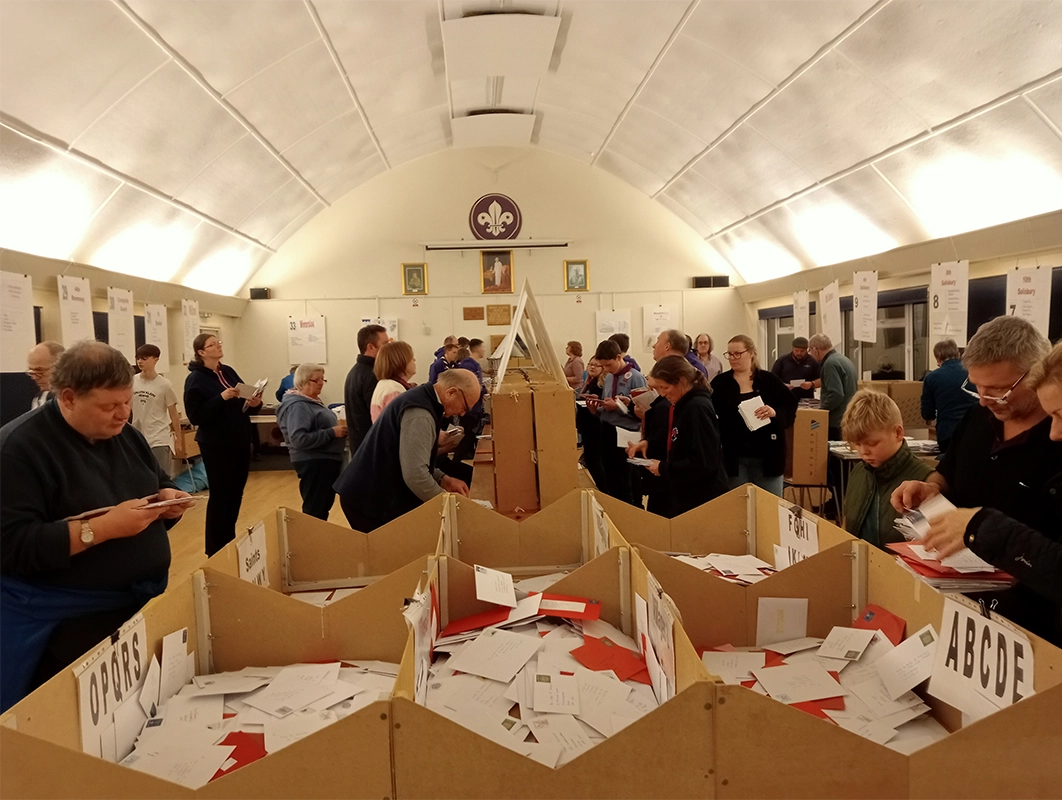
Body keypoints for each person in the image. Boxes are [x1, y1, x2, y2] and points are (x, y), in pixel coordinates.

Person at [0, 342, 193, 711]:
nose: (123, 414)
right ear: (69, 398)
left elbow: (149, 488)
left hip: (130, 609)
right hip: (65, 625)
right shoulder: (18, 449)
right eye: (109, 406)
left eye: (127, 402)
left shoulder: (127, 435)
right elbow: (12, 547)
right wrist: (102, 528)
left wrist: (165, 502)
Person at [892, 315, 1062, 641]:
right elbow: (948, 470)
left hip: (1032, 620)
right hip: (960, 601)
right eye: (976, 388)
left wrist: (985, 526)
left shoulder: (1056, 440)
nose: (985, 400)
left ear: (1037, 373)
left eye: (999, 391)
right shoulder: (978, 416)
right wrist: (930, 487)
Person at [333, 370, 480, 532]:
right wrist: (450, 505)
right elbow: (416, 476)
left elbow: (414, 458)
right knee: (389, 554)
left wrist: (443, 479)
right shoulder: (420, 413)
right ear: (451, 392)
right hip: (366, 499)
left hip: (369, 493)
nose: (462, 413)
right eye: (465, 406)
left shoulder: (423, 399)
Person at [184, 333, 261, 556]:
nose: (218, 346)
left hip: (238, 439)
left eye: (219, 342)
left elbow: (242, 402)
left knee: (236, 493)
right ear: (201, 352)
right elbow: (196, 415)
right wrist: (221, 398)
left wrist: (254, 402)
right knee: (221, 495)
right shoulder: (196, 380)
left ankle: (229, 539)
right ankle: (215, 548)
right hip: (216, 444)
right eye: (212, 344)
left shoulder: (227, 370)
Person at [628, 356, 729, 517]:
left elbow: (703, 463)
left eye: (665, 387)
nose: (661, 394)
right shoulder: (683, 405)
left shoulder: (696, 408)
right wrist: (649, 443)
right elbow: (679, 441)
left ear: (681, 381)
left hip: (701, 498)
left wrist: (663, 468)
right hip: (685, 493)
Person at [840, 390, 934, 548]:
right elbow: (846, 524)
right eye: (857, 444)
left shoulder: (925, 481)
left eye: (871, 443)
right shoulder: (858, 473)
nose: (864, 451)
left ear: (898, 433)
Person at [710, 335, 797, 496]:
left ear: (750, 353)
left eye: (737, 353)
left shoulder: (769, 380)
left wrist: (774, 412)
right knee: (738, 506)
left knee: (768, 506)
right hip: (734, 456)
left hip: (768, 455)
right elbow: (709, 412)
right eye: (729, 354)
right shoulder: (720, 383)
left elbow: (790, 406)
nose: (732, 358)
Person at [276, 363, 347, 520]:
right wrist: (331, 432)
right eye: (317, 380)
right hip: (315, 463)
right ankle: (311, 542)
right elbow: (299, 439)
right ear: (304, 381)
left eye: (323, 379)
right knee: (315, 511)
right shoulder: (298, 406)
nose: (321, 383)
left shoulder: (311, 402)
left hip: (324, 462)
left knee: (321, 509)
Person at [592, 339, 646, 505]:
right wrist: (597, 407)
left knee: (626, 479)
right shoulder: (608, 378)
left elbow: (643, 411)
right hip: (608, 430)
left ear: (618, 357)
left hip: (626, 434)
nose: (606, 369)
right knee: (610, 476)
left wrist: (618, 406)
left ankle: (631, 511)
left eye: (608, 365)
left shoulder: (635, 378)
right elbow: (606, 402)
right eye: (604, 366)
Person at [131, 344, 185, 478]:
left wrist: (178, 438)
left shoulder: (164, 384)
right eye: (138, 358)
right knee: (140, 476)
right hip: (137, 436)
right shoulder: (132, 381)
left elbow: (173, 413)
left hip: (159, 438)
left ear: (156, 359)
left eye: (144, 358)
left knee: (161, 477)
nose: (140, 361)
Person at [920, 338, 977, 452]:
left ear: (938, 358)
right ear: (958, 354)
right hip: (975, 430)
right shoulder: (973, 372)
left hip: (947, 432)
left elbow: (927, 412)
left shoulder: (932, 378)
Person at [344, 324, 388, 454]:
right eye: (385, 344)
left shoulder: (356, 371)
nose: (389, 349)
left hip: (361, 445)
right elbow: (378, 416)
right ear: (371, 347)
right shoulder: (372, 375)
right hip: (371, 447)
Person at [807, 333, 857, 440]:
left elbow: (836, 393)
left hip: (835, 421)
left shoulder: (830, 364)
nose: (810, 354)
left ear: (815, 349)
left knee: (831, 453)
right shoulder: (844, 360)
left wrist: (821, 410)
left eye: (810, 351)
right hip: (848, 417)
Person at [576, 358, 608, 491]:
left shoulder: (602, 384)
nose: (592, 367)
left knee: (593, 460)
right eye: (591, 364)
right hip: (587, 426)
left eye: (596, 365)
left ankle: (604, 489)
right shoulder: (589, 382)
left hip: (596, 426)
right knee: (590, 459)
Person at [371, 340, 417, 422]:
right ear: (400, 361)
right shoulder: (394, 390)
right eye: (411, 358)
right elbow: (404, 424)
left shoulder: (385, 384)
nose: (414, 360)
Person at [26, 341, 64, 410]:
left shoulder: (78, 398)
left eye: (40, 371)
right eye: (32, 372)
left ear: (60, 367)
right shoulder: (40, 398)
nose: (34, 377)